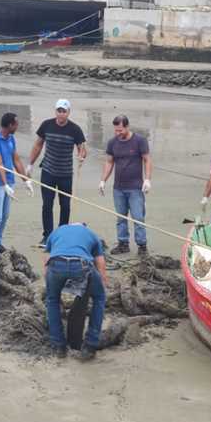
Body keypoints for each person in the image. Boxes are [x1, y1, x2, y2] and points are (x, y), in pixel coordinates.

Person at [43, 223, 108, 360]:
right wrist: (102, 283)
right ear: (84, 226)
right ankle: (90, 344)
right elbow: (100, 263)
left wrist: (50, 285)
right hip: (81, 264)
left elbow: (46, 261)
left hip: (56, 263)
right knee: (100, 297)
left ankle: (58, 345)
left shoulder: (56, 232)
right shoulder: (91, 234)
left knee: (52, 299)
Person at [27, 99, 86, 247]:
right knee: (47, 205)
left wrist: (82, 156)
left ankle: (62, 235)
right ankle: (47, 236)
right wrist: (30, 164)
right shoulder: (47, 125)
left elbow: (82, 148)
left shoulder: (75, 129)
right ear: (55, 111)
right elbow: (38, 145)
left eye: (64, 111)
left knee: (65, 205)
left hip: (65, 173)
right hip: (48, 171)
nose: (61, 114)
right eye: (58, 111)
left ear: (68, 113)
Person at [99, 115, 152, 256]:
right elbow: (109, 162)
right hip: (118, 188)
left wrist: (147, 179)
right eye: (116, 130)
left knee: (138, 217)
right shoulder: (112, 143)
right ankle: (123, 243)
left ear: (127, 127)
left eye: (120, 130)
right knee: (121, 217)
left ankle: (142, 246)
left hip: (135, 188)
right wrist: (103, 180)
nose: (118, 133)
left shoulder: (140, 141)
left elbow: (147, 160)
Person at [0, 112, 34, 263]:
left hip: (9, 180)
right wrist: (5, 184)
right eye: (16, 124)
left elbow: (16, 159)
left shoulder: (11, 138)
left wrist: (25, 180)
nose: (17, 126)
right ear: (10, 125)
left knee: (5, 215)